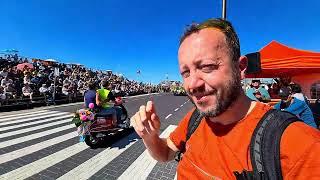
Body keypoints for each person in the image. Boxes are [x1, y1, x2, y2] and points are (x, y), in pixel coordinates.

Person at [130, 18, 320, 179]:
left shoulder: (301, 146)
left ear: (241, 68)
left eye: (207, 66)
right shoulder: (194, 119)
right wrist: (150, 137)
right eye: (186, 72)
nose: (192, 84)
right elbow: (165, 153)